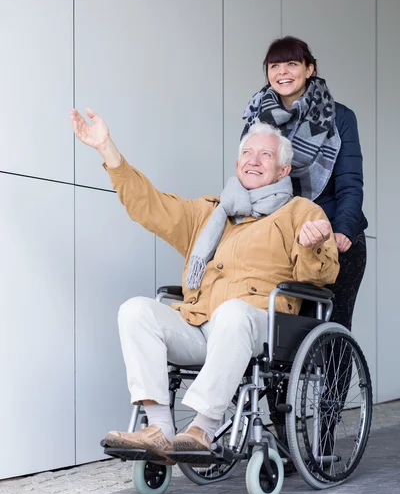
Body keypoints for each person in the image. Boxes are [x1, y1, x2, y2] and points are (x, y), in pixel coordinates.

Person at [71, 107, 339, 463]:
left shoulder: (300, 212)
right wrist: (107, 149)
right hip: (201, 326)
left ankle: (203, 427)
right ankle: (160, 428)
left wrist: (313, 244)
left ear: (283, 169)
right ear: (236, 161)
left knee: (232, 313)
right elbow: (150, 206)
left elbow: (321, 276)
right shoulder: (211, 213)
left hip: (262, 326)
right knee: (135, 310)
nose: (253, 160)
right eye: (247, 152)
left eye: (265, 155)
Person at [241, 35, 367, 432]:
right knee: (279, 337)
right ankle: (284, 436)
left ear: (309, 69)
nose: (283, 72)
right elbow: (252, 178)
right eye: (275, 66)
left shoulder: (340, 117)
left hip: (332, 239)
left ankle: (324, 434)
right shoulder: (256, 119)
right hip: (279, 239)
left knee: (331, 336)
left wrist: (342, 231)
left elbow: (350, 183)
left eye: (292, 64)